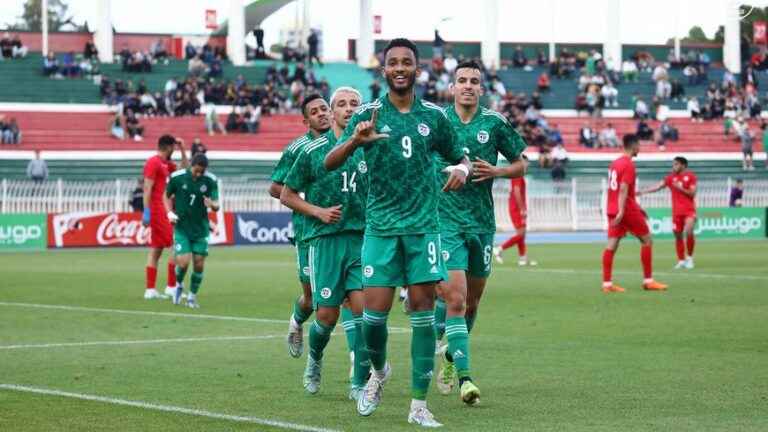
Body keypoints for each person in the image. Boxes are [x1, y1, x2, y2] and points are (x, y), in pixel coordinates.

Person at [324, 38, 472, 427]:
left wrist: (463, 171)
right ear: (384, 70)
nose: (401, 68)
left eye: (407, 62)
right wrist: (355, 140)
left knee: (423, 314)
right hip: (381, 231)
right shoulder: (368, 115)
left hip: (424, 230)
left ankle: (419, 406)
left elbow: (462, 157)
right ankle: (378, 372)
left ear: (417, 69)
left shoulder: (436, 118)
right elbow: (329, 161)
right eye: (394, 63)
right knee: (373, 320)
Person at [432, 60, 527, 406]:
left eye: (474, 81)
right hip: (446, 222)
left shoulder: (495, 123)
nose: (468, 85)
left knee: (472, 303)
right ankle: (465, 379)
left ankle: (449, 355)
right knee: (455, 300)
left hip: (482, 223)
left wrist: (500, 171)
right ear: (452, 87)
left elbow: (522, 163)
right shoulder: (437, 122)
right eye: (462, 80)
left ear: (481, 88)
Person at [279, 88, 369, 399]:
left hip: (361, 239)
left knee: (362, 312)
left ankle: (358, 384)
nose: (347, 109)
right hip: (324, 242)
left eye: (354, 104)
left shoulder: (372, 149)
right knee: (326, 317)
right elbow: (286, 193)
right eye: (340, 105)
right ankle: (315, 359)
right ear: (331, 113)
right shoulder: (312, 150)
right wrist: (317, 211)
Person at [269, 94, 332, 359]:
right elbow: (275, 188)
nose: (322, 114)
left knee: (352, 296)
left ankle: (359, 367)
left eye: (324, 108)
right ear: (306, 120)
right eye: (315, 111)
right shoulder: (297, 150)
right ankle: (296, 323)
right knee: (311, 297)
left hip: (342, 228)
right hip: (308, 231)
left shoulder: (348, 143)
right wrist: (309, 203)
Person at [602, 134, 668, 293]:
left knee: (611, 245)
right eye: (639, 145)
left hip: (612, 208)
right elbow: (623, 189)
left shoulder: (614, 164)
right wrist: (623, 211)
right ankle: (648, 281)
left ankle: (607, 284)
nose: (640, 148)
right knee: (647, 241)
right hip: (625, 209)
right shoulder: (628, 165)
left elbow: (617, 189)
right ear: (633, 146)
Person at [165, 154, 219, 308]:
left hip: (201, 229)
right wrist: (169, 212)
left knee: (199, 264)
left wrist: (212, 205)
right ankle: (178, 285)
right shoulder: (177, 177)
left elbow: (217, 204)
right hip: (182, 227)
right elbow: (166, 195)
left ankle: (191, 297)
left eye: (201, 172)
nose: (198, 174)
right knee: (183, 263)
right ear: (191, 165)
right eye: (196, 171)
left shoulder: (210, 180)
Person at [142, 135, 188, 300]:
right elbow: (147, 187)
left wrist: (183, 149)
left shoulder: (166, 164)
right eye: (174, 148)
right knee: (175, 244)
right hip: (158, 210)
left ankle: (150, 289)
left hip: (162, 209)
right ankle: (171, 286)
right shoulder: (153, 162)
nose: (174, 151)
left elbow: (184, 171)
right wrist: (146, 212)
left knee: (156, 250)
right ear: (168, 147)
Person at [639, 157, 697, 269]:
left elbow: (693, 193)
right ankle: (681, 260)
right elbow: (658, 186)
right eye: (673, 164)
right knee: (678, 235)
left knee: (689, 231)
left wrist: (680, 188)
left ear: (683, 165)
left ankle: (689, 258)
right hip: (676, 212)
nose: (673, 166)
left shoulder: (690, 176)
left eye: (676, 164)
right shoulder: (670, 178)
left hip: (689, 210)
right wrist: (643, 192)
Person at [493, 155, 534, 266]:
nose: (528, 164)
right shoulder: (518, 175)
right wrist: (522, 209)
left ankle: (522, 258)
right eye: (526, 162)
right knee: (521, 233)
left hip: (515, 207)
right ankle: (499, 249)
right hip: (516, 208)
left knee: (521, 234)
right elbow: (516, 191)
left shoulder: (518, 175)